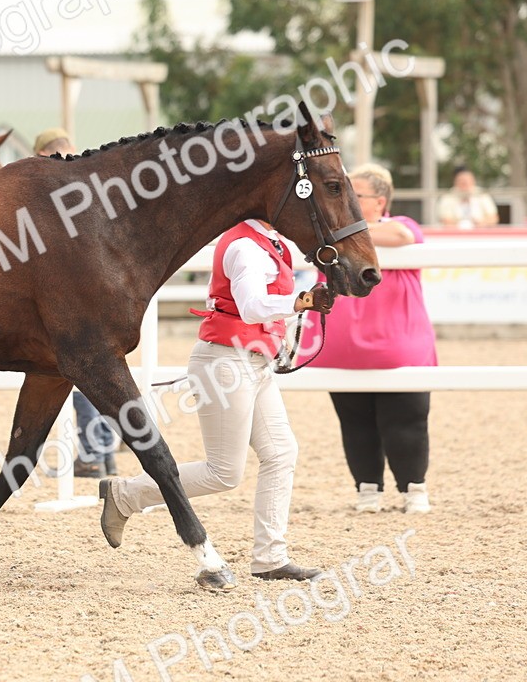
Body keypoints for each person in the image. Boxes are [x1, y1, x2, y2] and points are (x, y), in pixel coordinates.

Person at [99, 218, 332, 582]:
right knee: (224, 472)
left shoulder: (270, 240)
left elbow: (254, 308)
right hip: (226, 361)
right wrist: (300, 301)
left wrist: (279, 332)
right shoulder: (244, 246)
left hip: (253, 359)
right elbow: (252, 304)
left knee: (281, 452)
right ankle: (127, 494)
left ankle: (270, 557)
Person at [306, 164, 436, 514]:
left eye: (355, 195)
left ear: (380, 201)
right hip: (344, 349)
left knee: (406, 421)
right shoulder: (330, 234)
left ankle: (414, 488)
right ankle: (367, 489)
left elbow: (403, 237)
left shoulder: (401, 225)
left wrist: (343, 230)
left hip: (397, 348)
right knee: (355, 423)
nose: (346, 200)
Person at [35, 128, 118, 478]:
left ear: (42, 155)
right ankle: (105, 452)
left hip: (73, 294)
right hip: (105, 291)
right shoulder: (94, 181)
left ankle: (93, 454)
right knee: (102, 374)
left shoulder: (52, 185)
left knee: (82, 375)